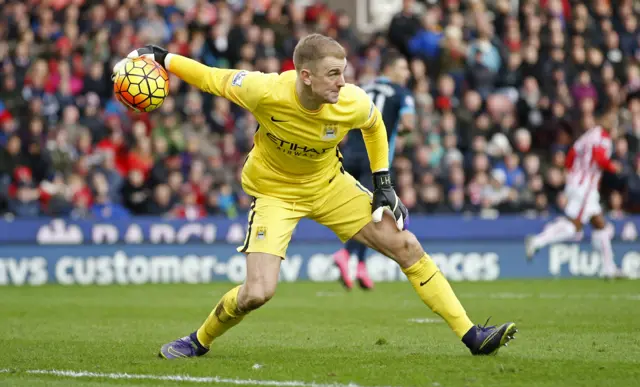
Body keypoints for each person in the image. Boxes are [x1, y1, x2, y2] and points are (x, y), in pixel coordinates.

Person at [115, 34, 516, 359]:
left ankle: (472, 335)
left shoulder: (351, 101)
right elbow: (209, 77)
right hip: (274, 193)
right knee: (258, 292)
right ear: (304, 76)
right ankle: (198, 341)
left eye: (343, 73)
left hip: (328, 186)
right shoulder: (264, 90)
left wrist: (383, 182)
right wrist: (162, 57)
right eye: (333, 75)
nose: (342, 83)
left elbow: (374, 126)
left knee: (406, 245)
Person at [333, 50, 415, 290]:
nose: (406, 74)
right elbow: (408, 123)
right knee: (372, 213)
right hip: (376, 162)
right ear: (389, 69)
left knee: (362, 211)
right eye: (403, 68)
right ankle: (346, 255)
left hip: (350, 156)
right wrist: (400, 131)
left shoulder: (361, 88)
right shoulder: (402, 93)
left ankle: (359, 264)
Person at [525, 124, 623, 278]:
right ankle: (537, 241)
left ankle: (608, 267)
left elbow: (571, 156)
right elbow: (598, 157)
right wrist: (612, 166)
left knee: (599, 224)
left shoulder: (586, 137)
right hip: (585, 187)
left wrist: (571, 175)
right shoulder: (603, 138)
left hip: (578, 183)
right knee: (573, 226)